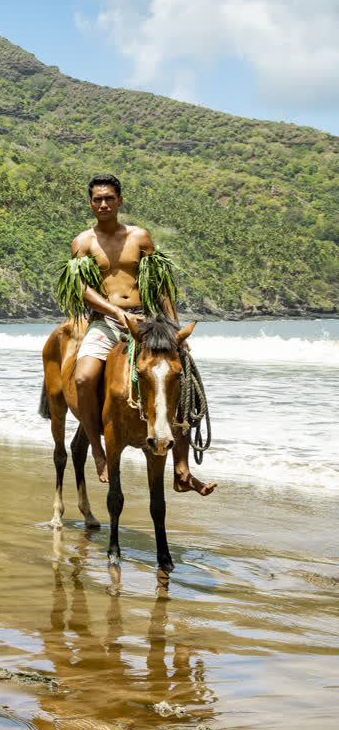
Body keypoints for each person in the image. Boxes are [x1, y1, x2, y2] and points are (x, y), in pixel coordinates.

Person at [69, 174, 215, 494]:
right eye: (97, 199)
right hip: (106, 322)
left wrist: (176, 330)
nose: (103, 204)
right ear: (91, 203)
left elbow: (161, 287)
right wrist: (115, 311)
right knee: (82, 378)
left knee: (181, 376)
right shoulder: (83, 242)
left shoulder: (140, 237)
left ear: (120, 201)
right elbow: (81, 288)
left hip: (147, 320)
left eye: (109, 198)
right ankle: (97, 449)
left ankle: (181, 467)